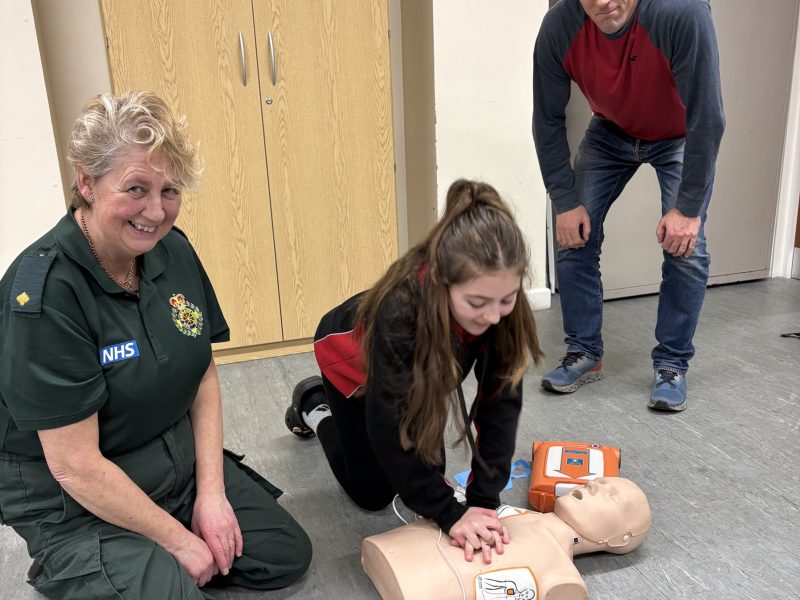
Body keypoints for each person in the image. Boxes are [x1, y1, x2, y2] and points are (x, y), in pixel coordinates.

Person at [0, 91, 311, 599]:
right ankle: (79, 563)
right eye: (136, 188)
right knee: (177, 585)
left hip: (169, 465)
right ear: (87, 182)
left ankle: (154, 547)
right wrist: (180, 542)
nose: (155, 210)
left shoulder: (173, 250)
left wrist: (210, 495)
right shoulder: (44, 294)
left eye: (169, 190)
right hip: (75, 502)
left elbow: (201, 372)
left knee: (284, 553)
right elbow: (73, 465)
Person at [285, 179, 544, 563]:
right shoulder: (401, 312)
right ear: (442, 281)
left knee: (427, 471)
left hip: (414, 373)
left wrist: (483, 503)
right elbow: (390, 426)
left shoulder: (498, 303)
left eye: (505, 300)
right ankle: (314, 403)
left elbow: (500, 409)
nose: (493, 316)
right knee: (373, 493)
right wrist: (450, 514)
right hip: (348, 359)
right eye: (477, 302)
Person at [532, 0, 725, 411]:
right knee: (574, 235)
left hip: (679, 136)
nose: (604, 2)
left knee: (687, 249)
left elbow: (707, 117)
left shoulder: (682, 13)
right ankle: (584, 350)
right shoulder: (559, 25)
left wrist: (688, 209)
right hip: (611, 131)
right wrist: (565, 201)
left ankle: (672, 362)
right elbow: (547, 119)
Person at [362, 477, 651, 600]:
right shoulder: (511, 512)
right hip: (386, 550)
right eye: (597, 482)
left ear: (620, 540)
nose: (594, 486)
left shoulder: (564, 578)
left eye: (610, 495)